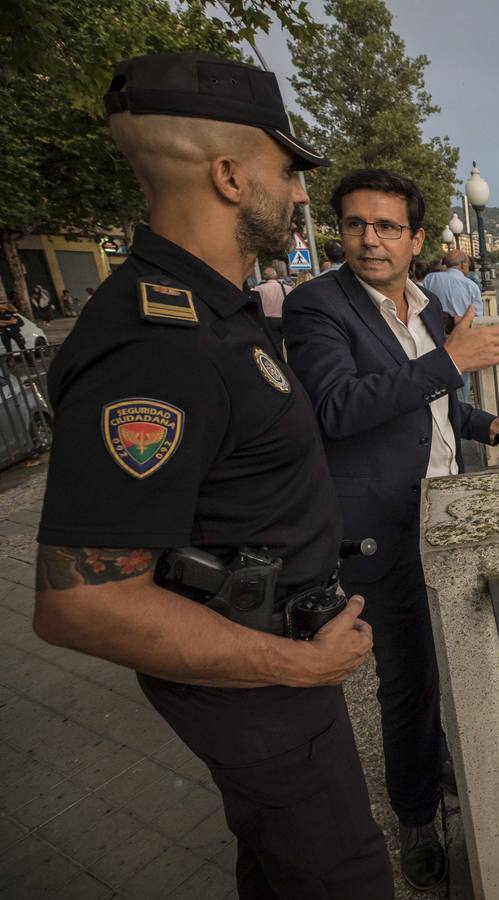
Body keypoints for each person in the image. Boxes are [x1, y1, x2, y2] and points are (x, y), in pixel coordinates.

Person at [31, 52, 393, 899]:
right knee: (342, 878)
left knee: (276, 866)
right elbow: (80, 601)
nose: (302, 193)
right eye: (287, 170)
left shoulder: (211, 310)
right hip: (262, 686)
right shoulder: (156, 346)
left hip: (269, 668)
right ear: (230, 176)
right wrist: (296, 667)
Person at [283, 168, 499, 891]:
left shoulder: (423, 310)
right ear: (339, 232)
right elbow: (337, 406)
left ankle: (434, 760)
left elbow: (439, 411)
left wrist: (492, 423)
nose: (370, 240)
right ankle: (417, 815)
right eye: (356, 224)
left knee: (449, 656)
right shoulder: (316, 308)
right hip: (379, 529)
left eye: (388, 226)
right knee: (409, 681)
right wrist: (450, 359)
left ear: (417, 239)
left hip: (444, 517)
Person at [422, 248, 482, 317]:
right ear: (462, 265)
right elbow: (477, 314)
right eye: (468, 263)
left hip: (434, 325)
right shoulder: (471, 286)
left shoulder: (430, 278)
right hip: (462, 326)